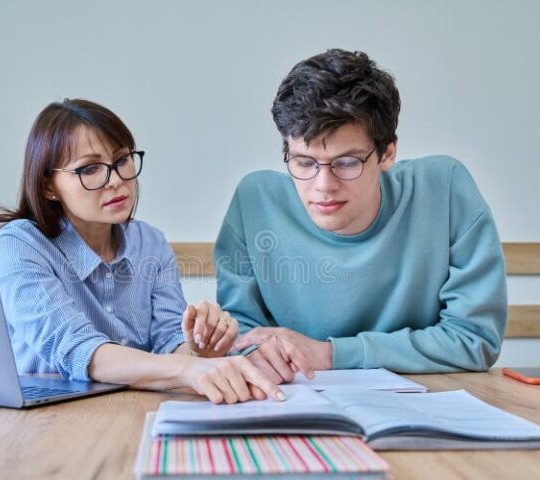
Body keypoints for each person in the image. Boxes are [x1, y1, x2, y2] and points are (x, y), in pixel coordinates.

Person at [216, 49, 508, 382]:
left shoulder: (445, 188)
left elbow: (474, 339)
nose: (323, 186)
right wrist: (256, 352)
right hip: (294, 397)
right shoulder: (254, 201)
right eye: (304, 162)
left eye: (347, 163)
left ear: (387, 153)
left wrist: (330, 354)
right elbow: (241, 338)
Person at [0, 98, 288, 403]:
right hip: (43, 415)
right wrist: (186, 369)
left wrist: (200, 348)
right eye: (89, 168)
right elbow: (76, 349)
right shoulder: (17, 245)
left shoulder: (151, 242)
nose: (116, 181)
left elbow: (169, 340)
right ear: (48, 187)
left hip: (130, 407)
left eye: (121, 160)